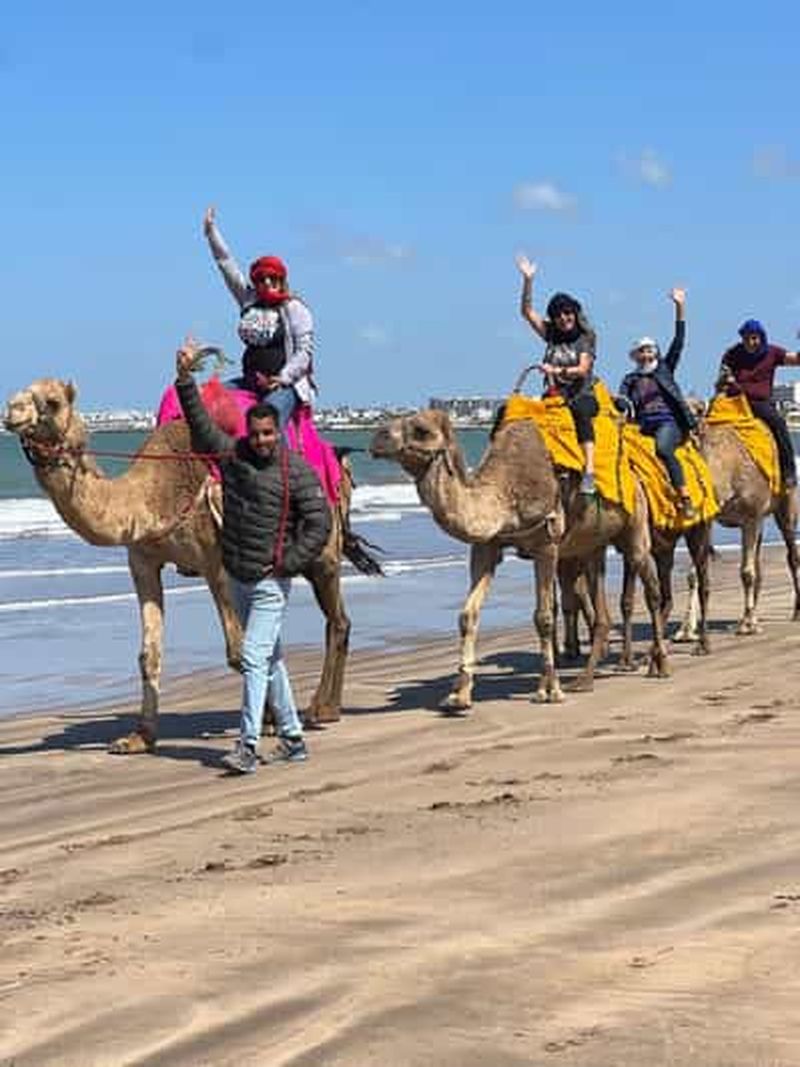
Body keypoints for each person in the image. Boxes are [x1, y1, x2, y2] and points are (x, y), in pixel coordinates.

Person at [175, 337, 331, 774]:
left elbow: (319, 523)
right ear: (249, 433)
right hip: (237, 577)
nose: (262, 440)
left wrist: (288, 563)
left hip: (270, 582)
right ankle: (294, 738)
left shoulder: (295, 471)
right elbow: (202, 426)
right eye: (257, 434)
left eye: (268, 434)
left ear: (277, 433)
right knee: (270, 658)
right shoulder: (234, 457)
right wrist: (185, 377)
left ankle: (247, 745)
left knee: (252, 657)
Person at [203, 206, 315, 430]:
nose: (267, 283)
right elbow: (226, 264)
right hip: (249, 381)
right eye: (262, 278)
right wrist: (211, 233)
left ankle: (277, 464)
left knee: (267, 421)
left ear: (281, 280)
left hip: (284, 385)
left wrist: (283, 378)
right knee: (205, 399)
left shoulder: (294, 308)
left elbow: (305, 352)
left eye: (272, 278)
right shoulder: (248, 300)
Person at [516, 254, 598, 494]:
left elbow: (583, 369)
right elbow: (526, 311)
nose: (564, 318)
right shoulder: (551, 333)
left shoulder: (586, 338)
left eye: (567, 313)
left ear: (574, 313)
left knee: (582, 412)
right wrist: (528, 280)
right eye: (559, 315)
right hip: (553, 395)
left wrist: (556, 370)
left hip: (580, 394)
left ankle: (589, 471)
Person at [619, 287, 698, 519]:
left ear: (655, 353)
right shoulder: (630, 379)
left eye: (648, 350)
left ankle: (684, 498)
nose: (645, 355)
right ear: (635, 356)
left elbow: (679, 342)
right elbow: (622, 402)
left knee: (663, 449)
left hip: (668, 424)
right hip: (642, 427)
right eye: (640, 352)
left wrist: (680, 307)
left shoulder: (665, 369)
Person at [718, 320, 800, 489]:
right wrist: (726, 380)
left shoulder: (772, 352)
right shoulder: (733, 353)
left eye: (754, 338)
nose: (751, 342)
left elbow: (795, 360)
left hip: (759, 403)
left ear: (761, 337)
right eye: (747, 338)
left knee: (779, 424)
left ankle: (788, 471)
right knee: (706, 423)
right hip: (733, 401)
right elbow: (721, 379)